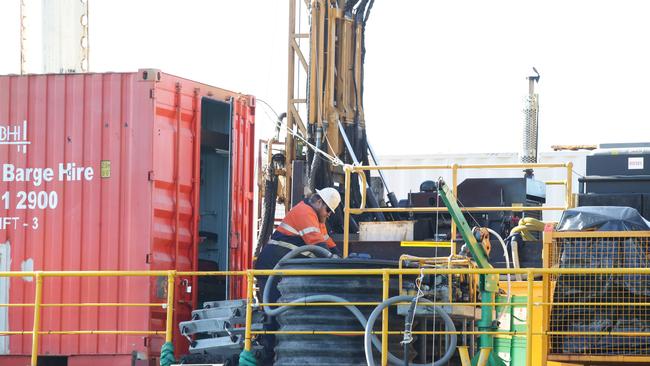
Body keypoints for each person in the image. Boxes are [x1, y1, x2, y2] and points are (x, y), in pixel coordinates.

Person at [255, 187, 342, 300]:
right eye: (328, 210)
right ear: (319, 202)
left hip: (280, 268)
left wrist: (339, 257)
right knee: (273, 308)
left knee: (278, 308)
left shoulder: (317, 218)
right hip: (271, 266)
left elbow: (326, 240)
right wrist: (334, 261)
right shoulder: (305, 212)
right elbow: (318, 244)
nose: (329, 214)